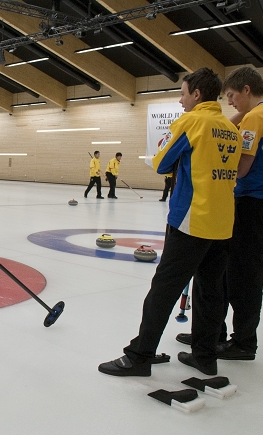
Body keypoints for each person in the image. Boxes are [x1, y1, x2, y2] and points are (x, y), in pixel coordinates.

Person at [98, 67, 241, 377]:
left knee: (163, 289)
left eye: (183, 93)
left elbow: (162, 163)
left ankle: (140, 355)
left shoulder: (192, 121)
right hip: (223, 222)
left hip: (192, 220)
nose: (180, 100)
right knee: (211, 291)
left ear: (197, 94)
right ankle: (205, 356)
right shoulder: (229, 127)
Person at [212, 67, 263, 360]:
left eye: (232, 96)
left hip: (254, 198)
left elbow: (242, 166)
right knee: (243, 269)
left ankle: (243, 341)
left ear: (246, 89)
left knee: (244, 273)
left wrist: (215, 169)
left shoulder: (255, 117)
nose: (231, 103)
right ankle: (233, 335)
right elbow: (237, 124)